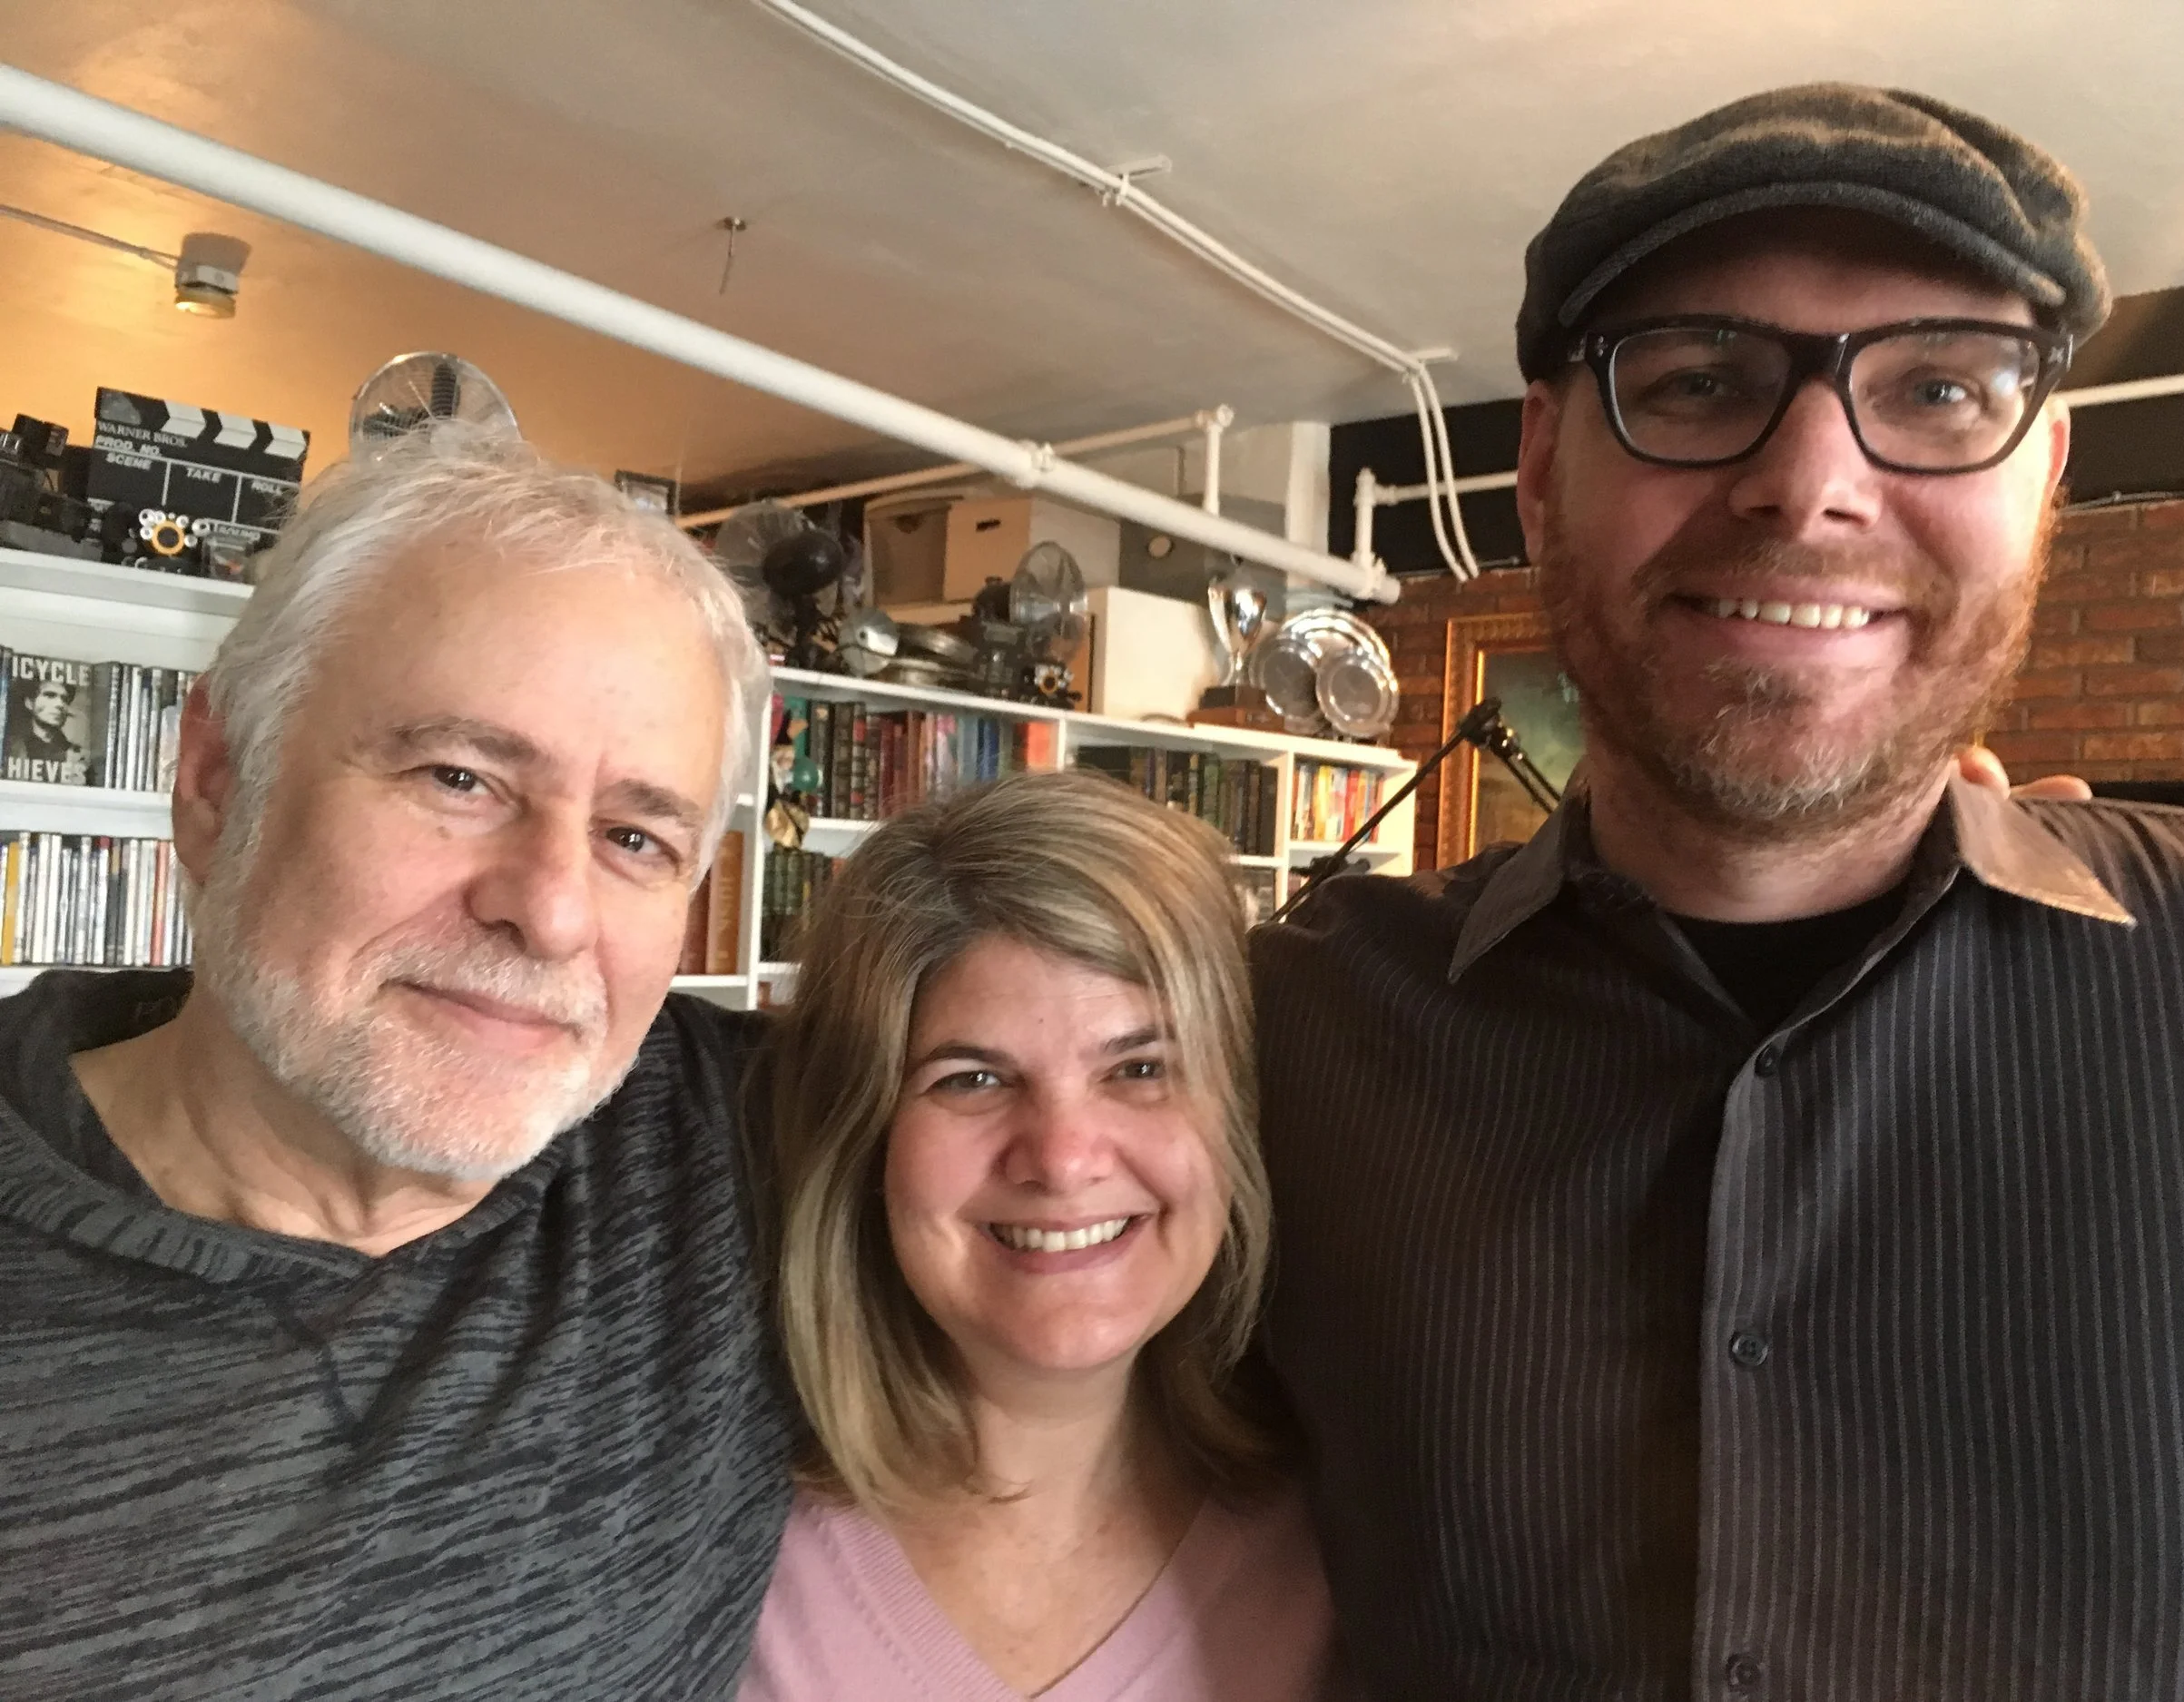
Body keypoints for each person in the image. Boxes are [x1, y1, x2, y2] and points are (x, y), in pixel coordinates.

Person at [1252, 84, 2184, 1701]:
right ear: (1536, 469)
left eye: (1938, 388)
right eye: (1698, 381)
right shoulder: (1281, 1033)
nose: (1808, 486)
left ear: (2046, 478)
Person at [0, 427, 795, 1700]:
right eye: (462, 775)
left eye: (638, 836)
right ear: (214, 777)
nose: (550, 910)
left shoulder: (750, 1148)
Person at [745, 770, 1345, 1701]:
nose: (1063, 1159)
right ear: (864, 1138)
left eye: (1139, 1068)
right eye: (971, 1080)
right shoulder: (715, 1551)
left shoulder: (1356, 1541)